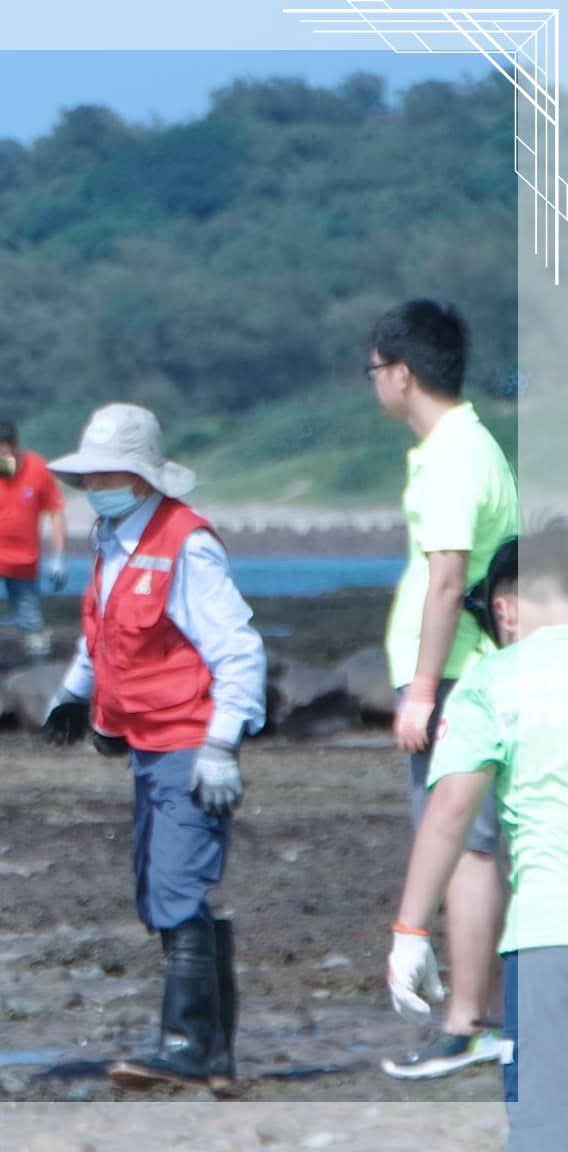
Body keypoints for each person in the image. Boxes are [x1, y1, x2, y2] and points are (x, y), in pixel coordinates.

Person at [39, 402, 266, 1091]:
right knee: (163, 884)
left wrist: (221, 747)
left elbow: (239, 651)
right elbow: (103, 631)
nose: (92, 487)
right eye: (88, 476)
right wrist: (73, 693)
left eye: (105, 475)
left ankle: (186, 1046)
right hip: (145, 743)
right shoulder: (112, 539)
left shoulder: (185, 544)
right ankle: (213, 1056)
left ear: (141, 478)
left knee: (176, 886)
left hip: (188, 741)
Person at [366, 300, 520, 1079]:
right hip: (459, 666)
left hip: (458, 670)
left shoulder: (456, 454)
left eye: (374, 369)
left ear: (403, 373)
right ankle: (483, 1016)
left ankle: (468, 1022)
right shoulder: (454, 447)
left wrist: (424, 688)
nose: (372, 383)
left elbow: (449, 578)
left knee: (464, 843)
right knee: (468, 840)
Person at [388, 536, 566, 1152]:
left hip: (549, 936)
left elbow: (451, 812)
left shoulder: (493, 680)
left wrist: (411, 930)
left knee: (546, 1129)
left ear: (506, 609)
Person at [0, 419, 66, 658]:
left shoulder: (37, 468)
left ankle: (37, 657)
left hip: (24, 560)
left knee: (29, 616)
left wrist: (58, 556)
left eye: (1, 447)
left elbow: (56, 512)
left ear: (14, 445)